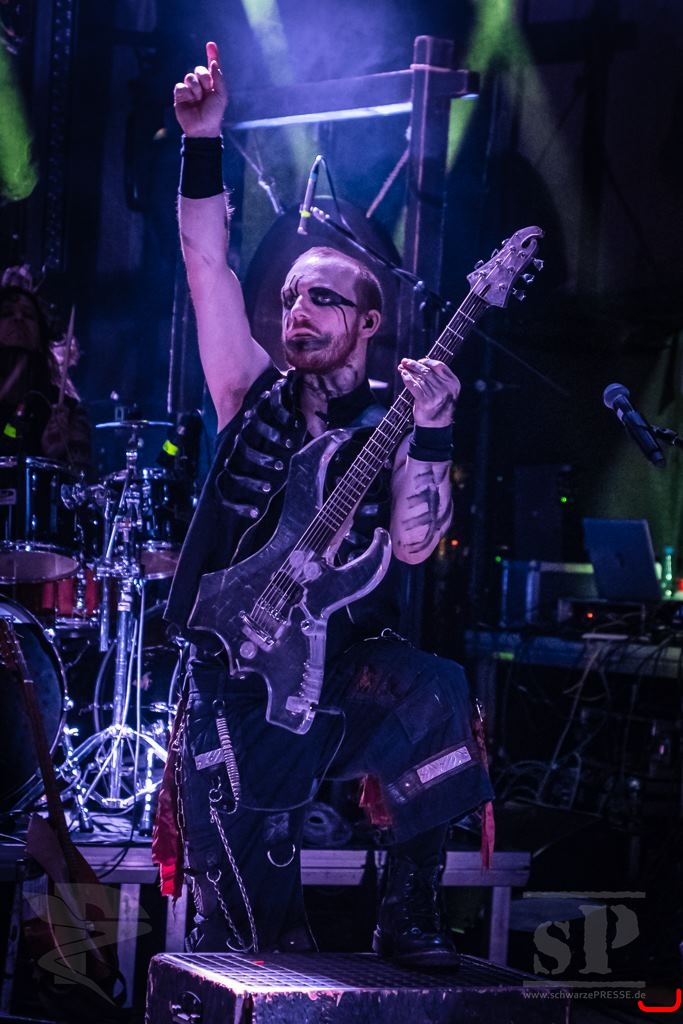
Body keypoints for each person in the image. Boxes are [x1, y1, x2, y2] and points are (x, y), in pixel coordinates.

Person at [153, 41, 493, 967]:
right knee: (251, 938)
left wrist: (432, 432)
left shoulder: (395, 419)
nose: (295, 310)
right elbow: (206, 263)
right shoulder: (246, 387)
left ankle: (410, 916)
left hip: (333, 675)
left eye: (322, 299)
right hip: (237, 683)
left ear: (369, 322)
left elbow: (414, 546)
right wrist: (203, 141)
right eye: (291, 297)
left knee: (436, 688)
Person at [0, 265, 91, 472]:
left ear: (40, 335)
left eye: (28, 315)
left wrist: (56, 457)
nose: (18, 318)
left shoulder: (65, 409)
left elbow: (82, 481)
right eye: (7, 313)